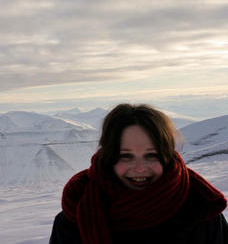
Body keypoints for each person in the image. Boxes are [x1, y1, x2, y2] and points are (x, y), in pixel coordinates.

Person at [49, 103, 227, 244]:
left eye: (151, 155)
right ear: (109, 157)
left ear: (166, 156)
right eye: (125, 156)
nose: (140, 168)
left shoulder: (200, 211)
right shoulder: (76, 216)